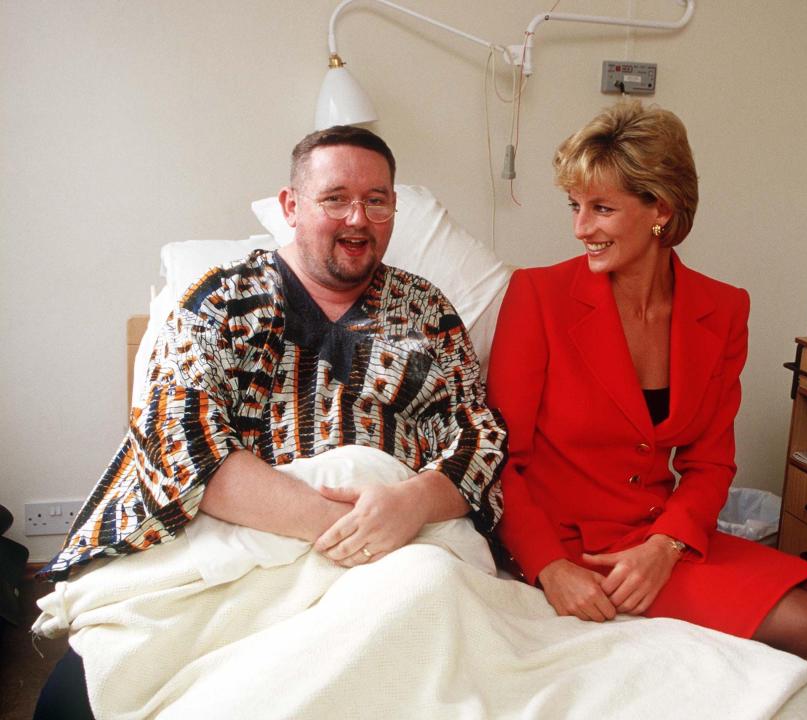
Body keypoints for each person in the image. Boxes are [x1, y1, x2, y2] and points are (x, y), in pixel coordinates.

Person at [34, 125, 506, 718]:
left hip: (403, 548)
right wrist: (340, 528)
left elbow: (478, 436)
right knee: (75, 701)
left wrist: (410, 505)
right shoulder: (222, 301)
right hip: (251, 541)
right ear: (292, 206)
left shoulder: (426, 311)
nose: (357, 218)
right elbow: (178, 436)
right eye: (335, 198)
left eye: (377, 200)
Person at [485, 100, 807, 720]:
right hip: (580, 550)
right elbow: (499, 458)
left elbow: (710, 463)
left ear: (661, 210)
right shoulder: (537, 296)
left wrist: (665, 545)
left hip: (662, 536)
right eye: (575, 206)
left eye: (601, 208)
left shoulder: (722, 308)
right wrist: (548, 568)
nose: (580, 228)